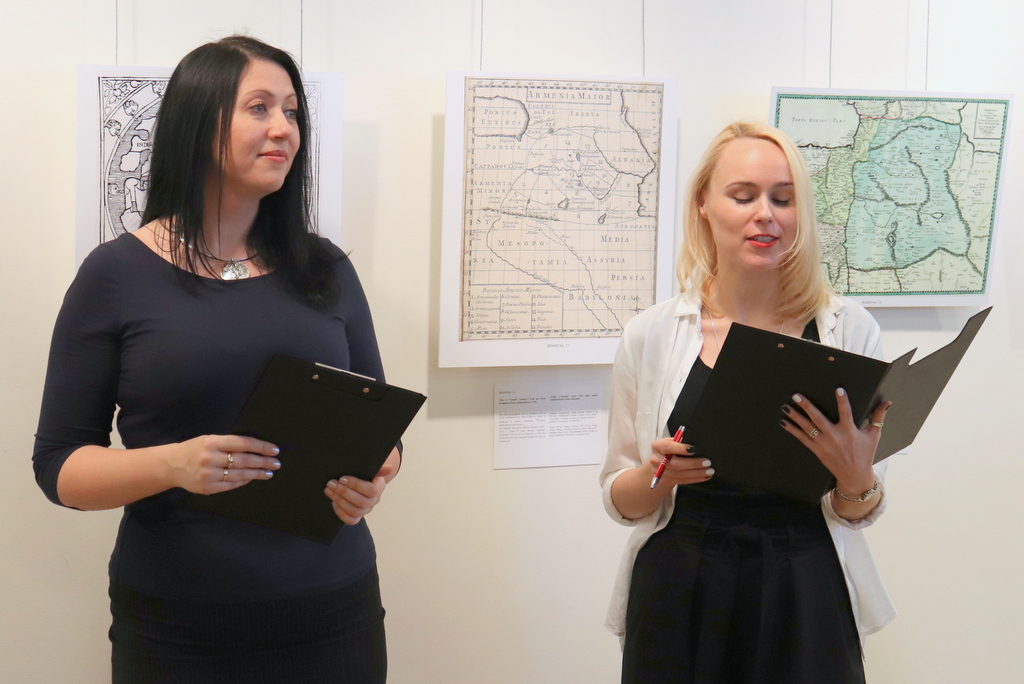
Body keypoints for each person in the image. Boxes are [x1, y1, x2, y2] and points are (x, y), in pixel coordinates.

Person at [33, 36, 397, 683]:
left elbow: (380, 426)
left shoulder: (325, 268)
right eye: (260, 107)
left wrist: (375, 472)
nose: (284, 128)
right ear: (198, 123)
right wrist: (173, 464)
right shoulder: (115, 274)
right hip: (179, 625)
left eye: (292, 111)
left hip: (334, 612)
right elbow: (59, 467)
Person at [600, 121, 896, 683]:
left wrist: (857, 477)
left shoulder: (848, 329)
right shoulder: (651, 333)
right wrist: (658, 474)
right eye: (743, 196)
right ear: (704, 204)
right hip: (680, 580)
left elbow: (858, 510)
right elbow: (621, 498)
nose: (766, 214)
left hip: (805, 579)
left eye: (783, 199)